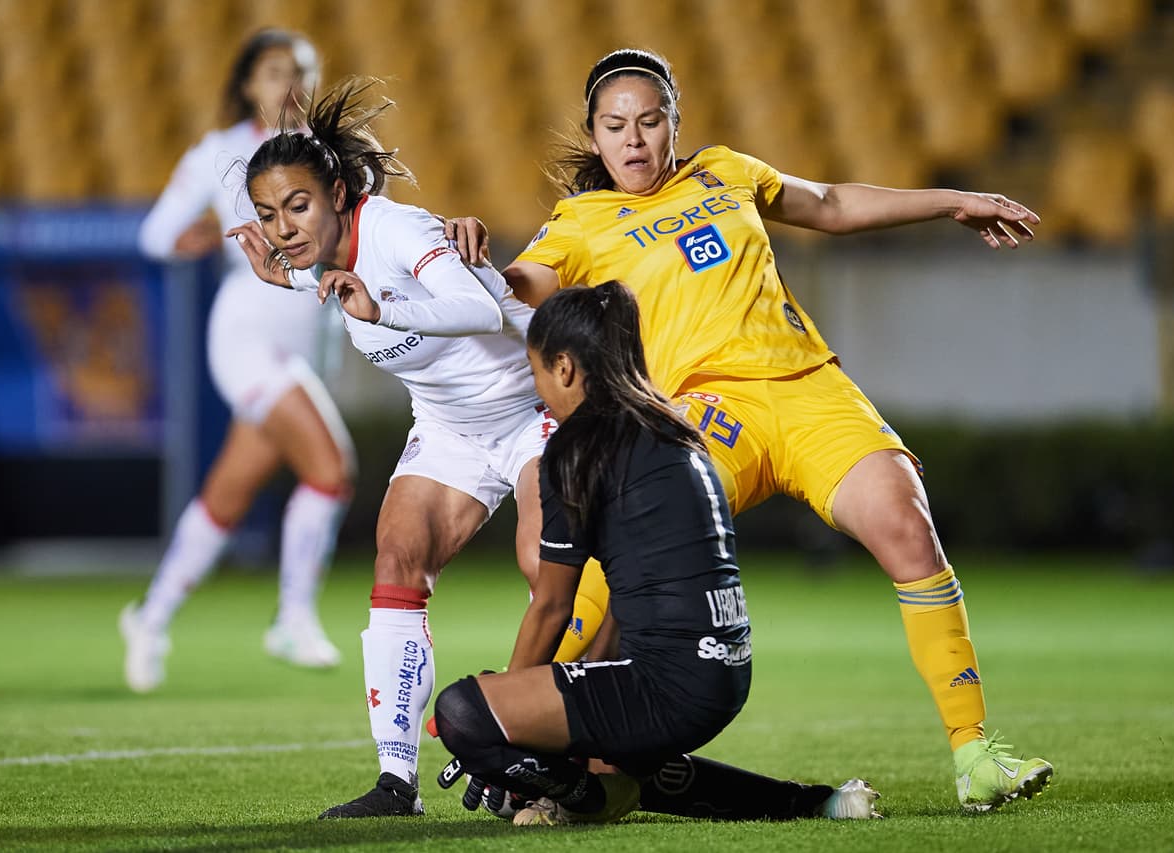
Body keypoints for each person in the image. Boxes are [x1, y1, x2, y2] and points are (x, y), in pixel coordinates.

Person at [481, 47, 1054, 813]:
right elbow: (518, 286)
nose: (635, 139)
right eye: (616, 126)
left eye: (649, 121)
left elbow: (832, 204)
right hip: (707, 414)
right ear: (593, 136)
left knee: (908, 526)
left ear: (674, 122)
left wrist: (951, 199)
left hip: (811, 390)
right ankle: (529, 750)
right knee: (609, 573)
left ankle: (975, 754)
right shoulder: (580, 222)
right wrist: (455, 259)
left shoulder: (726, 170)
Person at [432, 280, 881, 826]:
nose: (537, 386)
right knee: (593, 732)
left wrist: (500, 714)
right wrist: (560, 689)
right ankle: (812, 803)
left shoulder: (576, 450)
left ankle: (590, 797)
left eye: (536, 371)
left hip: (666, 686)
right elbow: (634, 592)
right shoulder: (676, 428)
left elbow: (552, 607)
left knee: (460, 711)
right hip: (723, 677)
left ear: (566, 368)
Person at [224, 76, 551, 820]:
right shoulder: (310, 256)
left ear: (338, 192)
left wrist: (383, 305)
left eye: (298, 206)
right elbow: (329, 283)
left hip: (536, 408)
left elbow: (473, 304)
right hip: (448, 425)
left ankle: (538, 744)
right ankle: (395, 782)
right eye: (269, 214)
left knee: (545, 563)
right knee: (397, 555)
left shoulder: (398, 230)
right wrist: (283, 278)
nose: (284, 226)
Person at [121, 29, 354, 694]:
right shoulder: (223, 152)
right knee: (332, 470)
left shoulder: (328, 154)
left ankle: (150, 615)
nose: (292, 85)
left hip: (309, 338)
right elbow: (155, 233)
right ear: (249, 83)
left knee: (228, 493)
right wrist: (188, 236)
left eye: (303, 72)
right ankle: (293, 615)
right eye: (277, 71)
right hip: (247, 336)